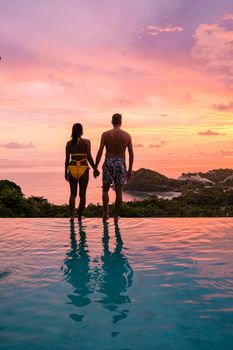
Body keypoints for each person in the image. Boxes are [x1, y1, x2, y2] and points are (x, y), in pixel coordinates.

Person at [95, 113, 134, 224]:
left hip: (109, 161)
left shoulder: (106, 134)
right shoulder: (127, 135)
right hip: (120, 163)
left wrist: (95, 167)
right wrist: (130, 169)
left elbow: (100, 151)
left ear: (112, 121)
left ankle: (105, 214)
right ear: (121, 122)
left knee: (105, 189)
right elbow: (131, 154)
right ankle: (116, 217)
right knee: (119, 192)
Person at [65, 123, 99, 222]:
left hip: (72, 168)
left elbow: (67, 159)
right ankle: (79, 217)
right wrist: (95, 168)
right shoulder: (86, 142)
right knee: (82, 195)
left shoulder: (69, 143)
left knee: (73, 194)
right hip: (83, 168)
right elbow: (89, 156)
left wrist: (65, 172)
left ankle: (72, 216)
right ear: (81, 131)